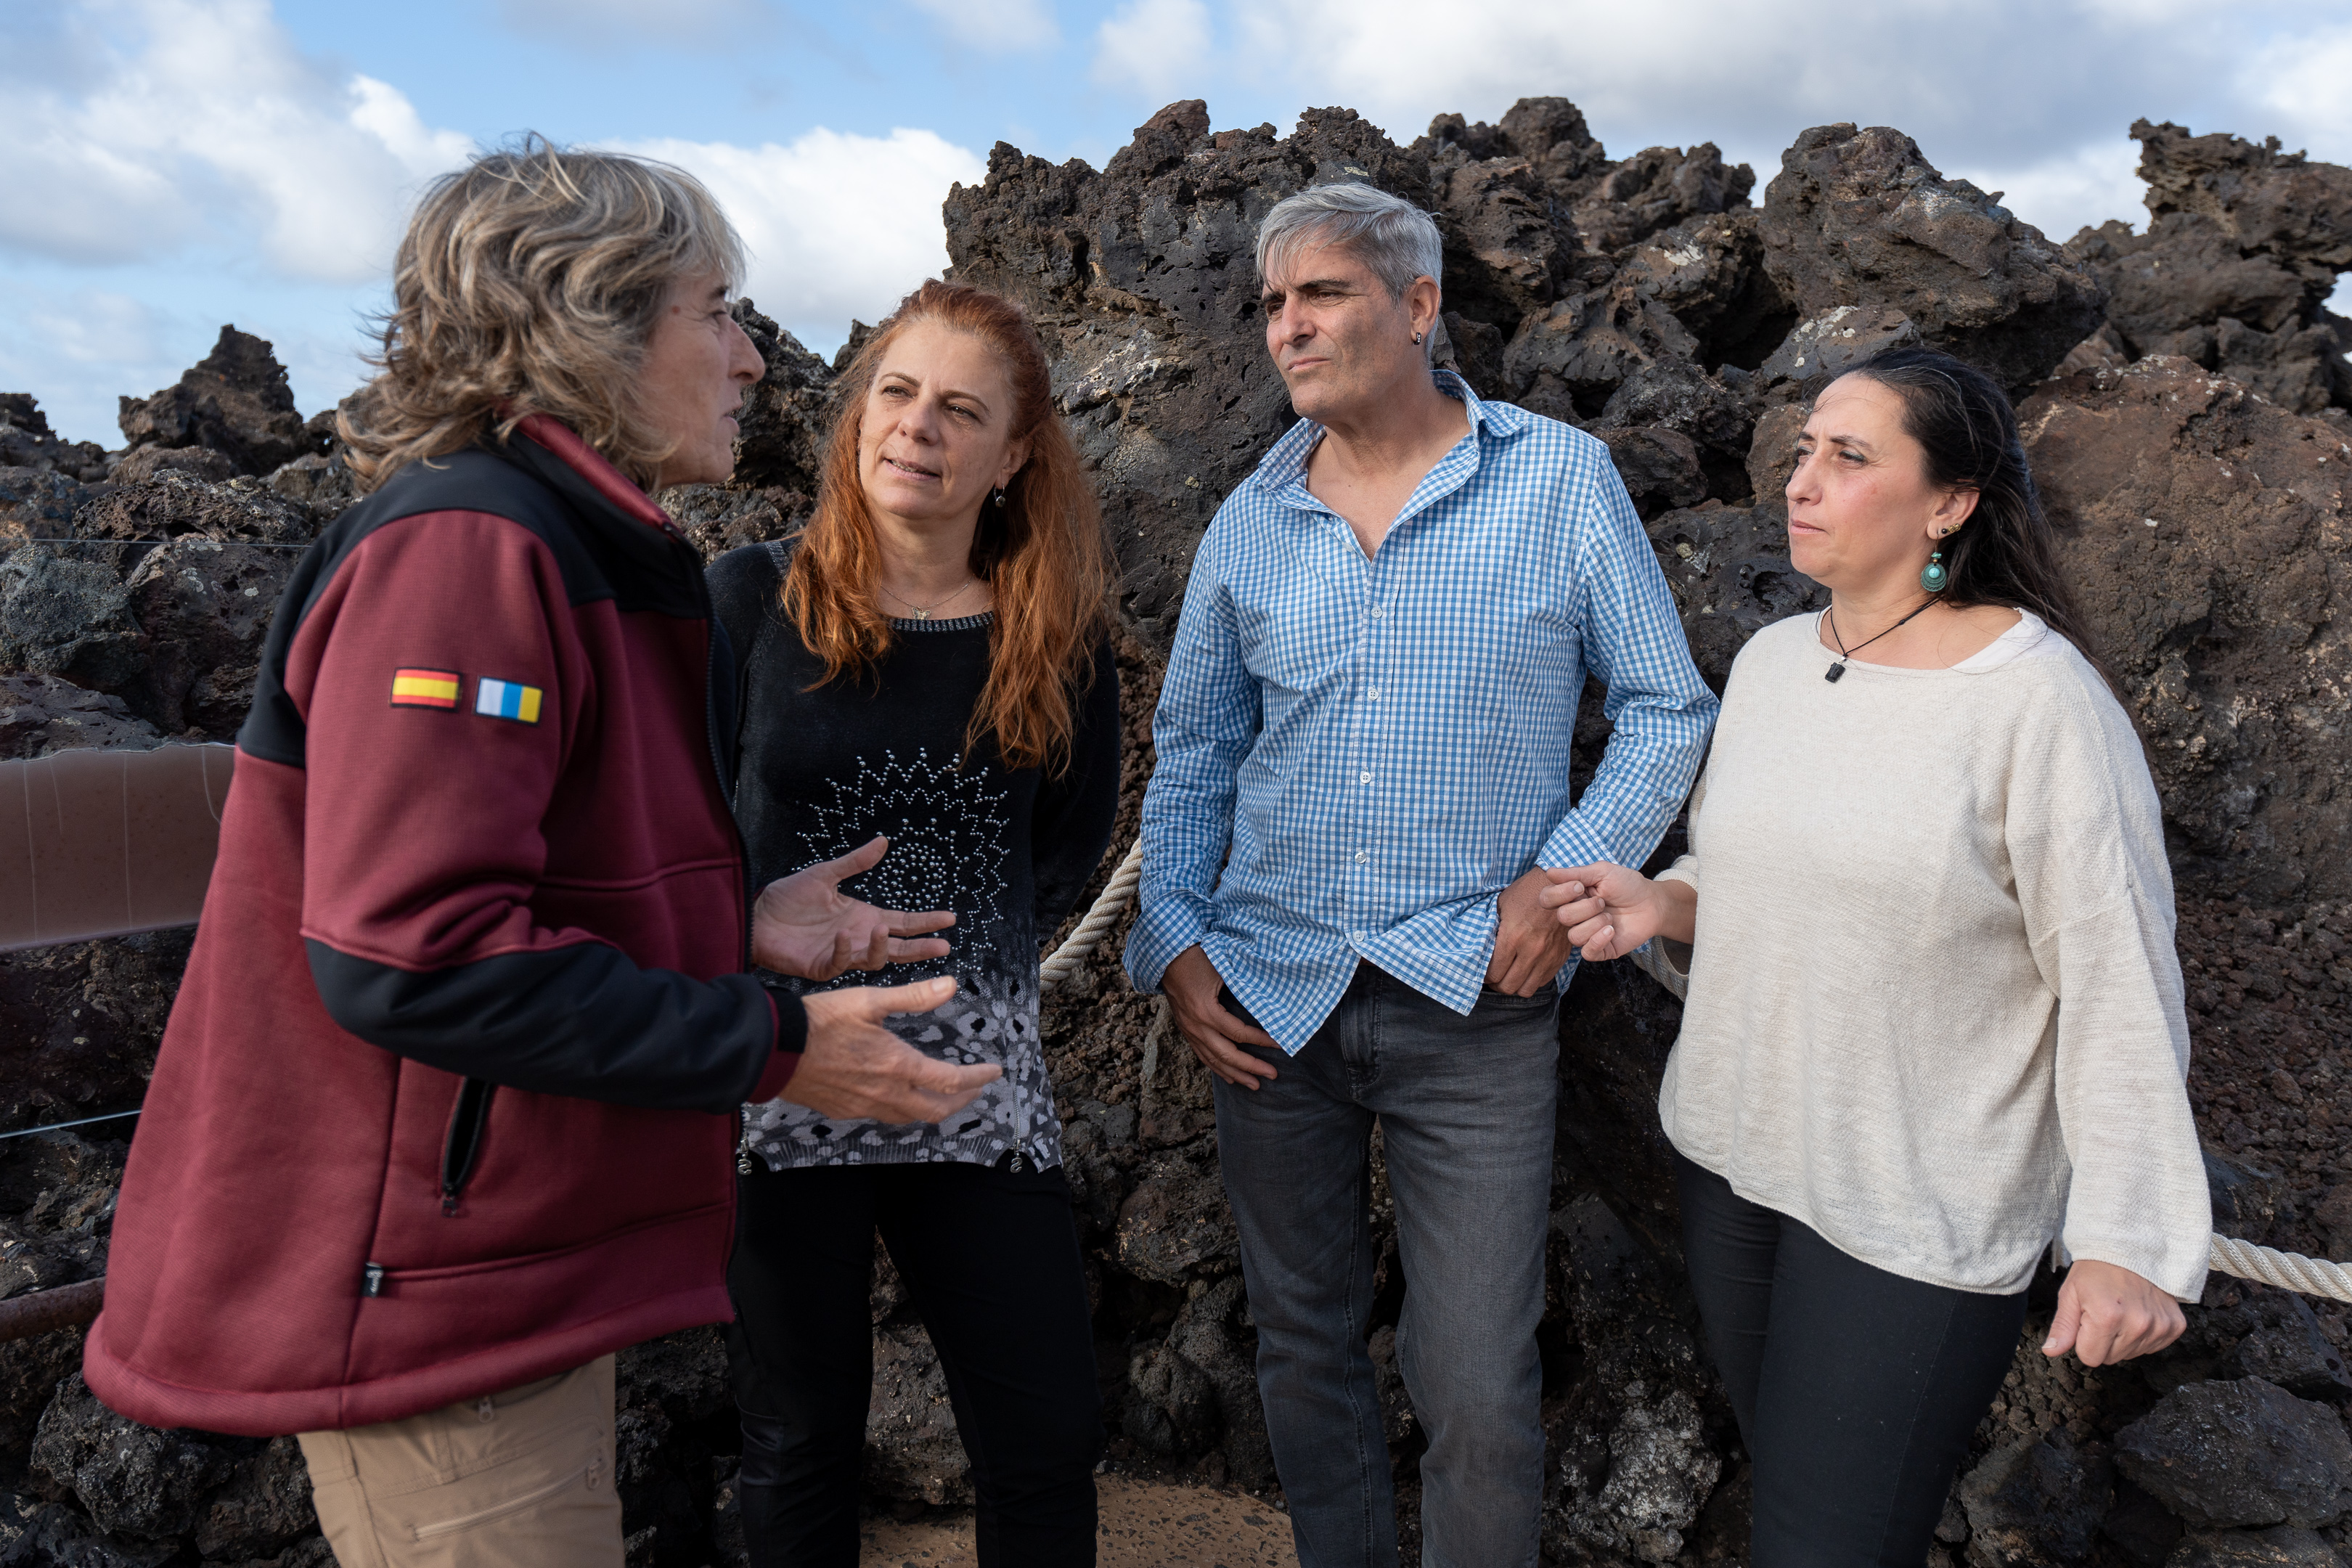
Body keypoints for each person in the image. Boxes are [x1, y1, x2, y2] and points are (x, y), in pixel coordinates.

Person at [83, 143, 1000, 1568]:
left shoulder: (560, 543)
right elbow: (418, 958)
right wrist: (776, 1043)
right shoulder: (468, 554)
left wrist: (740, 932)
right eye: (718, 310)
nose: (753, 359)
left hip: (487, 1273)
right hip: (431, 1297)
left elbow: (505, 890)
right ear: (593, 322)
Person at [1125, 181, 1718, 1568]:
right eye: (1272, 304)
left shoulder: (1555, 478)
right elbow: (1196, 745)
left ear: (1418, 306)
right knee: (1304, 1346)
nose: (1288, 326)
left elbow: (1665, 705)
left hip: (1479, 1002)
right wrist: (1174, 938)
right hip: (1270, 995)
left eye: (1320, 293)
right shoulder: (1251, 519)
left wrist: (1564, 887)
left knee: (1477, 1384)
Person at [1541, 347, 2208, 1565]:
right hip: (1735, 1161)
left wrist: (2129, 1240)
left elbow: (2118, 978)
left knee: (1825, 1544)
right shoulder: (1771, 665)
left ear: (1950, 501)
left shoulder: (2039, 705)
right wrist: (1664, 903)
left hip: (1914, 1210)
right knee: (1796, 1503)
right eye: (1804, 451)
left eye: (1850, 457)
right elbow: (1769, 871)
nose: (1802, 480)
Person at [709, 279, 1120, 1567]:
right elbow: (673, 835)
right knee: (797, 1440)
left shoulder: (1057, 636)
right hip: (784, 1069)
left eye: (960, 410)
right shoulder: (744, 603)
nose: (917, 428)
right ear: (856, 416)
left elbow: (1065, 852)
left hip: (975, 1083)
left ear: (1011, 457)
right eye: (897, 392)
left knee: (1045, 1440)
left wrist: (954, 962)